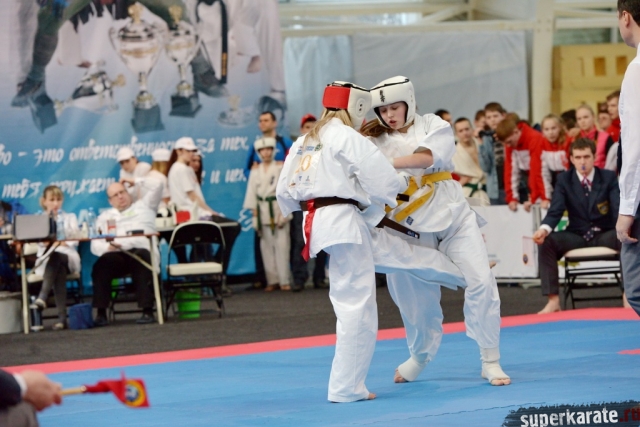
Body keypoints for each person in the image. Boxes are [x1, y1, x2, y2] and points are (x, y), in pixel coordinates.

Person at [276, 81, 467, 403]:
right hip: (344, 221)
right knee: (356, 304)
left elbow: (284, 191)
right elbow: (382, 177)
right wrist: (390, 193)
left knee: (401, 255)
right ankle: (346, 388)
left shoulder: (304, 140)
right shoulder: (345, 135)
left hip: (321, 221)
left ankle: (460, 272)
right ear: (355, 107)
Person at [362, 76, 509, 387]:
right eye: (383, 110)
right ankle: (419, 356)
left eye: (395, 107)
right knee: (413, 301)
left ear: (409, 102)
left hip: (453, 216)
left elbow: (426, 158)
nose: (389, 115)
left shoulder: (433, 124)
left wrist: (384, 163)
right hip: (405, 227)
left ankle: (490, 359)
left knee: (481, 281)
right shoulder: (372, 140)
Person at [533, 138, 620, 313]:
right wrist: (543, 229)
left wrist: (625, 229)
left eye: (586, 156)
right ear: (572, 159)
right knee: (546, 242)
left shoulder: (609, 177)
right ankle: (553, 301)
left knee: (629, 238)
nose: (582, 161)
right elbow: (556, 210)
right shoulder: (564, 179)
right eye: (578, 157)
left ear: (594, 157)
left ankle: (629, 296)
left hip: (605, 233)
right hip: (577, 235)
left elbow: (617, 208)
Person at [91, 180, 162, 326]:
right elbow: (95, 244)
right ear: (110, 201)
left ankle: (147, 311)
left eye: (122, 192)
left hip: (141, 250)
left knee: (141, 260)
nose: (120, 197)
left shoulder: (145, 206)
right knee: (101, 265)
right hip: (117, 253)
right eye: (115, 195)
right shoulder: (104, 217)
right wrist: (107, 247)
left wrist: (136, 181)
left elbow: (158, 185)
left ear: (128, 193)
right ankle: (101, 313)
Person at [616, 0, 640, 317]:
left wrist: (626, 209)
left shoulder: (637, 70)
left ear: (626, 17)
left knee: (635, 288)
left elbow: (635, 145)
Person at [244, 137, 291, 291]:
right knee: (266, 248)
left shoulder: (280, 167)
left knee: (282, 246)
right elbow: (251, 193)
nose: (266, 153)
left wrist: (284, 213)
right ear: (259, 153)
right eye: (262, 150)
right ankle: (272, 280)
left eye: (269, 149)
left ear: (273, 151)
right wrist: (254, 215)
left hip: (278, 208)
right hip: (262, 210)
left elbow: (286, 191)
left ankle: (284, 280)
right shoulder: (255, 171)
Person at [32, 186, 81, 330]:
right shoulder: (39, 219)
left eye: (58, 200)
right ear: (44, 201)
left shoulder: (70, 217)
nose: (55, 203)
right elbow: (40, 242)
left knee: (57, 257)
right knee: (57, 267)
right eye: (52, 200)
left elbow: (75, 239)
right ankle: (62, 319)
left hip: (68, 258)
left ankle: (42, 297)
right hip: (46, 261)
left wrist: (59, 242)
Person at [289, 114, 328, 292]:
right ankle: (299, 278)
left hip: (322, 203)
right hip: (302, 204)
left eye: (313, 128)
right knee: (300, 241)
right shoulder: (294, 151)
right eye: (307, 127)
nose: (310, 131)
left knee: (322, 239)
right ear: (301, 130)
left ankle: (319, 277)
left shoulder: (325, 150)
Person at [495, 113, 546, 211]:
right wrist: (512, 198)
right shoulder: (510, 143)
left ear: (516, 131)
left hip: (545, 179)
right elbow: (510, 171)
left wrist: (535, 198)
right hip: (528, 177)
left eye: (509, 142)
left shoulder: (534, 138)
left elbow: (537, 171)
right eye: (505, 144)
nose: (508, 146)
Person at [168, 137, 217, 218]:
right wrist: (210, 211)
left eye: (193, 151)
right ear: (178, 151)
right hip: (191, 214)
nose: (191, 153)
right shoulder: (181, 169)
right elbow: (192, 196)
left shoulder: (179, 168)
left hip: (185, 214)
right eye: (188, 151)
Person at [452, 117, 490, 205]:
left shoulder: (482, 144)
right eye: (461, 131)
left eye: (467, 129)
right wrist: (460, 182)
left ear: (472, 129)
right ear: (456, 134)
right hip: (468, 192)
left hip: (488, 189)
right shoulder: (453, 154)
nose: (465, 133)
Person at [244, 111, 293, 178]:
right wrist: (256, 173)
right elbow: (246, 171)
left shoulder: (286, 143)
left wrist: (281, 167)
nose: (262, 123)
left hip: (280, 182)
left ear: (275, 123)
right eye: (260, 121)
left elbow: (295, 167)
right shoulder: (255, 146)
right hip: (260, 184)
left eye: (266, 120)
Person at [572, 104, 615, 170]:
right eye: (579, 119)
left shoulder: (605, 137)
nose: (582, 121)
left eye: (585, 117)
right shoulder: (574, 139)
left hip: (601, 174)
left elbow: (612, 163)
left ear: (593, 117)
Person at [540, 114, 572, 202]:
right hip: (553, 181)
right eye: (547, 129)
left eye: (553, 128)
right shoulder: (542, 144)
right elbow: (544, 172)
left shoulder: (568, 142)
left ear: (560, 128)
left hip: (569, 181)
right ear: (542, 131)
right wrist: (546, 197)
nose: (550, 132)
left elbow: (570, 169)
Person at [480, 102, 506, 204]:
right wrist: (481, 144)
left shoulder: (510, 135)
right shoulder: (486, 138)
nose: (492, 120)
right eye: (489, 117)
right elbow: (485, 167)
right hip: (494, 190)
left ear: (503, 116)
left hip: (512, 188)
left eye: (495, 116)